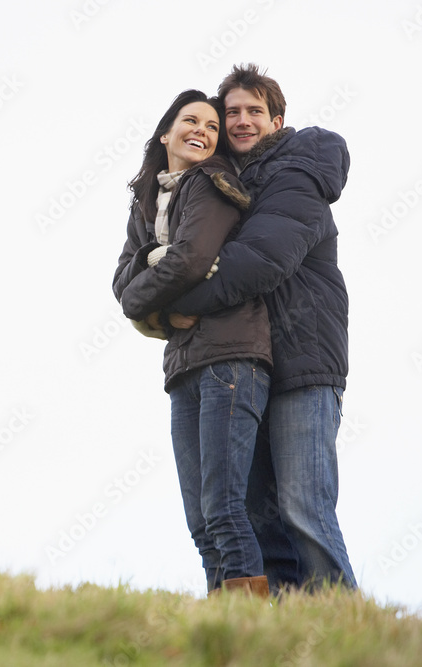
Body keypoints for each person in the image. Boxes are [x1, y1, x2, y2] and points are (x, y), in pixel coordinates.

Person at [164, 63, 357, 592]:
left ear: (277, 120)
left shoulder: (297, 174)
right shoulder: (226, 183)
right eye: (232, 113)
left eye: (254, 111)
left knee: (303, 505)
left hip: (303, 363)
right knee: (257, 513)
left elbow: (258, 262)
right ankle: (282, 632)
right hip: (251, 362)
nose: (242, 121)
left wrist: (172, 305)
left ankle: (345, 627)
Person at [112, 89, 273, 596]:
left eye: (211, 124)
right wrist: (148, 271)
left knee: (225, 508)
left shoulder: (211, 183)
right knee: (202, 519)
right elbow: (121, 282)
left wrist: (147, 288)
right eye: (190, 120)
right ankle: (222, 623)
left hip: (231, 357)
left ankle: (252, 627)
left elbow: (191, 258)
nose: (202, 130)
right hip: (182, 365)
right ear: (166, 133)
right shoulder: (147, 199)